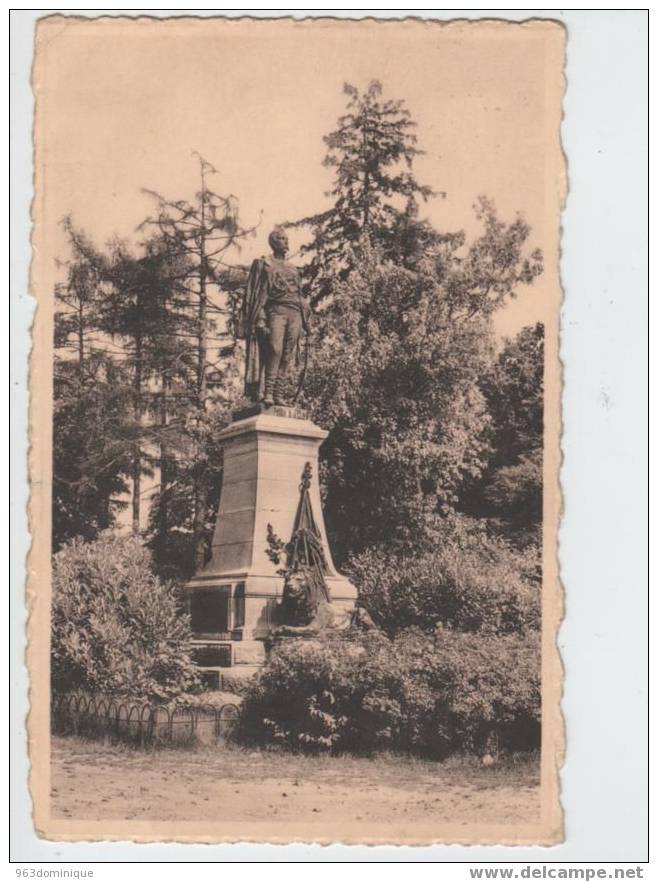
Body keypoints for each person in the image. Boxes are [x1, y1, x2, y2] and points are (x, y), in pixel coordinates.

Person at [240, 226, 311, 406]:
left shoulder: (293, 269)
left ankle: (279, 395)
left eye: (286, 239)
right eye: (281, 239)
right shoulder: (265, 264)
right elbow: (256, 294)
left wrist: (306, 319)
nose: (285, 242)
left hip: (295, 313)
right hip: (276, 311)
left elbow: (299, 294)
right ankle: (268, 393)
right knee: (275, 349)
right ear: (273, 242)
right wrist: (260, 318)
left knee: (287, 353)